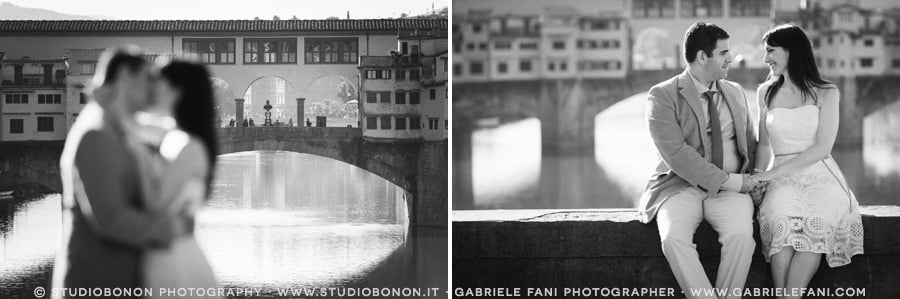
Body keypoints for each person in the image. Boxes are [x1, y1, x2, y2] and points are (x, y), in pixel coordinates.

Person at [53, 47, 192, 299]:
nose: (152, 87)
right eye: (147, 78)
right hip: (95, 285)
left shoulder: (115, 128)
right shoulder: (96, 134)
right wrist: (171, 228)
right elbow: (110, 218)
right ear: (126, 75)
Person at [637, 22, 761, 299]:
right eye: (723, 53)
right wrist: (733, 182)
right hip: (679, 187)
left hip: (731, 191)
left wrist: (755, 178)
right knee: (673, 239)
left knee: (742, 238)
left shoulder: (736, 92)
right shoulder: (662, 95)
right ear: (702, 57)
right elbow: (676, 154)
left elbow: (750, 144)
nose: (730, 58)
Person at [751, 24, 863, 298]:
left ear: (792, 51)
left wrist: (767, 176)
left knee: (815, 226)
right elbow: (764, 144)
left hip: (821, 177)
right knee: (782, 225)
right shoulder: (765, 92)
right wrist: (758, 176)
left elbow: (823, 149)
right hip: (780, 179)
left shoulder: (827, 92)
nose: (766, 59)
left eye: (771, 51)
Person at [129, 60, 221, 298]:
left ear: (176, 92)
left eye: (157, 83)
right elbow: (130, 124)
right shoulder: (175, 136)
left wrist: (138, 157)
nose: (149, 90)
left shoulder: (188, 146)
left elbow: (156, 205)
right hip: (171, 250)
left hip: (172, 260)